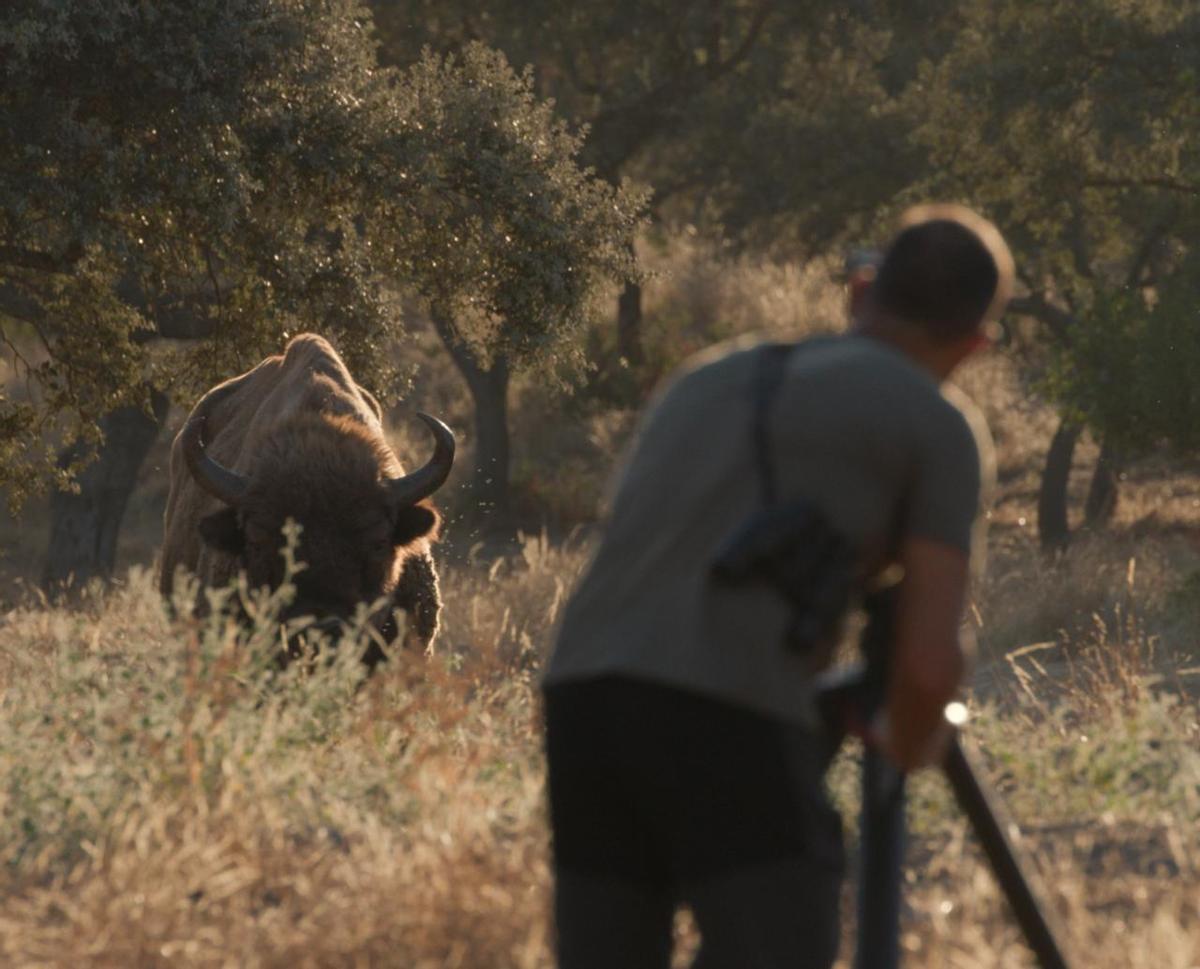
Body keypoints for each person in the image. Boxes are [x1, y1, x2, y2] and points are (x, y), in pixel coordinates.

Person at [540, 203, 1010, 969]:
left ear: (861, 290)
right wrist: (910, 737)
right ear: (974, 344)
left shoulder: (709, 375)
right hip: (726, 712)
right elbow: (928, 664)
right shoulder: (938, 423)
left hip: (583, 697)